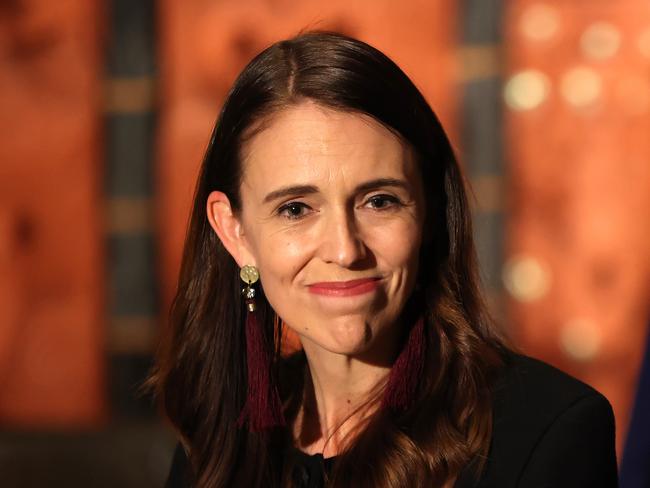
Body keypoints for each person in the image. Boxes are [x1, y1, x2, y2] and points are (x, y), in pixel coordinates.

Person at [149, 31, 618, 487]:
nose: (345, 250)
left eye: (379, 201)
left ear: (429, 211)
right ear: (236, 233)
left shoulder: (548, 433)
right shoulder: (216, 443)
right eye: (295, 209)